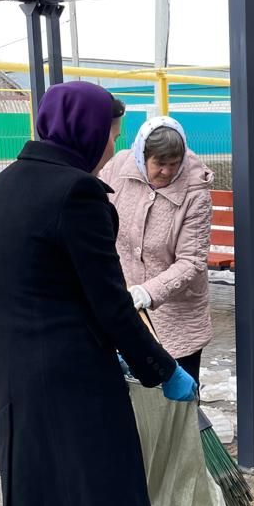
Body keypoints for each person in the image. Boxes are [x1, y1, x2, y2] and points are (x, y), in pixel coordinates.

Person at [0, 81, 198, 506]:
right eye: (107, 131)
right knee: (74, 505)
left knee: (34, 493)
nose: (110, 145)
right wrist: (162, 369)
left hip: (15, 367)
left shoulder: (8, 184)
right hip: (68, 375)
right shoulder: (77, 195)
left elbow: (48, 284)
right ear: (82, 130)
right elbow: (110, 306)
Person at [100, 115, 213, 384]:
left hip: (177, 317)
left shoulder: (195, 193)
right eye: (159, 164)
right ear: (142, 156)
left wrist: (148, 292)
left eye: (174, 164)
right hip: (125, 310)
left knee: (177, 403)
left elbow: (192, 261)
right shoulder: (118, 170)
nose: (167, 171)